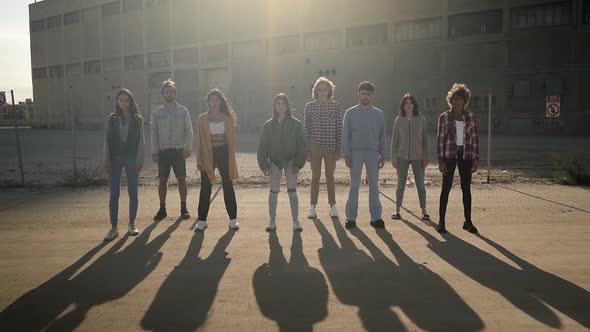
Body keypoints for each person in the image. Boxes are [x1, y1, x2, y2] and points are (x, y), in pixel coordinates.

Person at [257, 93, 307, 232]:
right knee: (273, 192)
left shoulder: (296, 124)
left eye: (283, 103)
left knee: (292, 191)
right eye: (278, 103)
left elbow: (302, 145)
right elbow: (263, 146)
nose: (280, 106)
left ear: (287, 106)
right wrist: (264, 165)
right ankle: (272, 221)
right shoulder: (268, 125)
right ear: (274, 106)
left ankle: (296, 221)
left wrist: (298, 163)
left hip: (291, 161)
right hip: (274, 162)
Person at [436, 83, 480, 234]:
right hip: (449, 155)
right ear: (450, 100)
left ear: (465, 100)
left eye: (460, 98)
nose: (457, 101)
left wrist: (476, 159)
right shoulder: (444, 117)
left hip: (466, 155)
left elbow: (474, 138)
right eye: (454, 98)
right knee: (446, 188)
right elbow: (440, 139)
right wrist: (440, 160)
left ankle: (468, 221)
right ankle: (441, 222)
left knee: (466, 188)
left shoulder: (471, 117)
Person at [342, 81, 386, 229]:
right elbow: (345, 136)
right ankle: (351, 218)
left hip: (373, 153)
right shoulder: (350, 113)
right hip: (355, 153)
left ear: (372, 96)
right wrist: (347, 154)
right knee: (354, 185)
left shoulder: (378, 114)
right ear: (358, 94)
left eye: (368, 94)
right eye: (363, 93)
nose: (365, 96)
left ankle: (376, 217)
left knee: (374, 185)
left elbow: (382, 136)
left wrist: (383, 154)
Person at [103, 89, 145, 241]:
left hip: (132, 159)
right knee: (114, 193)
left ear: (131, 101)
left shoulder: (137, 119)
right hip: (115, 159)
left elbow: (141, 142)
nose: (124, 103)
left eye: (126, 100)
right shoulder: (111, 119)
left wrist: (139, 162)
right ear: (117, 102)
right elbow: (106, 141)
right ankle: (113, 228)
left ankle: (132, 224)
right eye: (121, 100)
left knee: (133, 191)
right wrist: (106, 161)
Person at [195, 89, 239, 231]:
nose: (213, 102)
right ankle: (201, 221)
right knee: (205, 186)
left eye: (216, 100)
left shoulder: (228, 118)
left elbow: (231, 140)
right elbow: (199, 141)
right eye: (211, 100)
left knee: (227, 184)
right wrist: (199, 160)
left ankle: (233, 220)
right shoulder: (202, 119)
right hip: (208, 153)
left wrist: (231, 158)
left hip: (224, 152)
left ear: (221, 101)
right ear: (208, 102)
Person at [150, 79, 194, 221]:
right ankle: (162, 208)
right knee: (162, 181)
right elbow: (153, 133)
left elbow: (189, 131)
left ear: (175, 93)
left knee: (182, 180)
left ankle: (184, 208)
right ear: (163, 94)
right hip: (163, 152)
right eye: (166, 91)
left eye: (171, 91)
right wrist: (154, 150)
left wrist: (188, 148)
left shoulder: (183, 111)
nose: (169, 93)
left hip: (178, 151)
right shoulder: (157, 113)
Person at [304, 77, 342, 219]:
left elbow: (339, 128)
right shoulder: (309, 107)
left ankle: (333, 206)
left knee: (330, 176)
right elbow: (306, 129)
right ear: (316, 91)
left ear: (329, 91)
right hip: (315, 146)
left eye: (325, 90)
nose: (322, 92)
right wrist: (307, 150)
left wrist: (338, 148)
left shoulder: (335, 106)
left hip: (331, 146)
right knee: (315, 177)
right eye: (319, 90)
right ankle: (312, 206)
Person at [390, 93, 430, 220]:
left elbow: (425, 140)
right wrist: (394, 158)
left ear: (414, 105)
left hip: (418, 157)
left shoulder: (421, 119)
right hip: (402, 157)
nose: (408, 105)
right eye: (406, 102)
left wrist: (426, 157)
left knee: (420, 185)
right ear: (403, 105)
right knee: (400, 184)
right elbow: (394, 141)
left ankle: (424, 211)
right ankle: (397, 211)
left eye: (410, 102)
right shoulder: (399, 119)